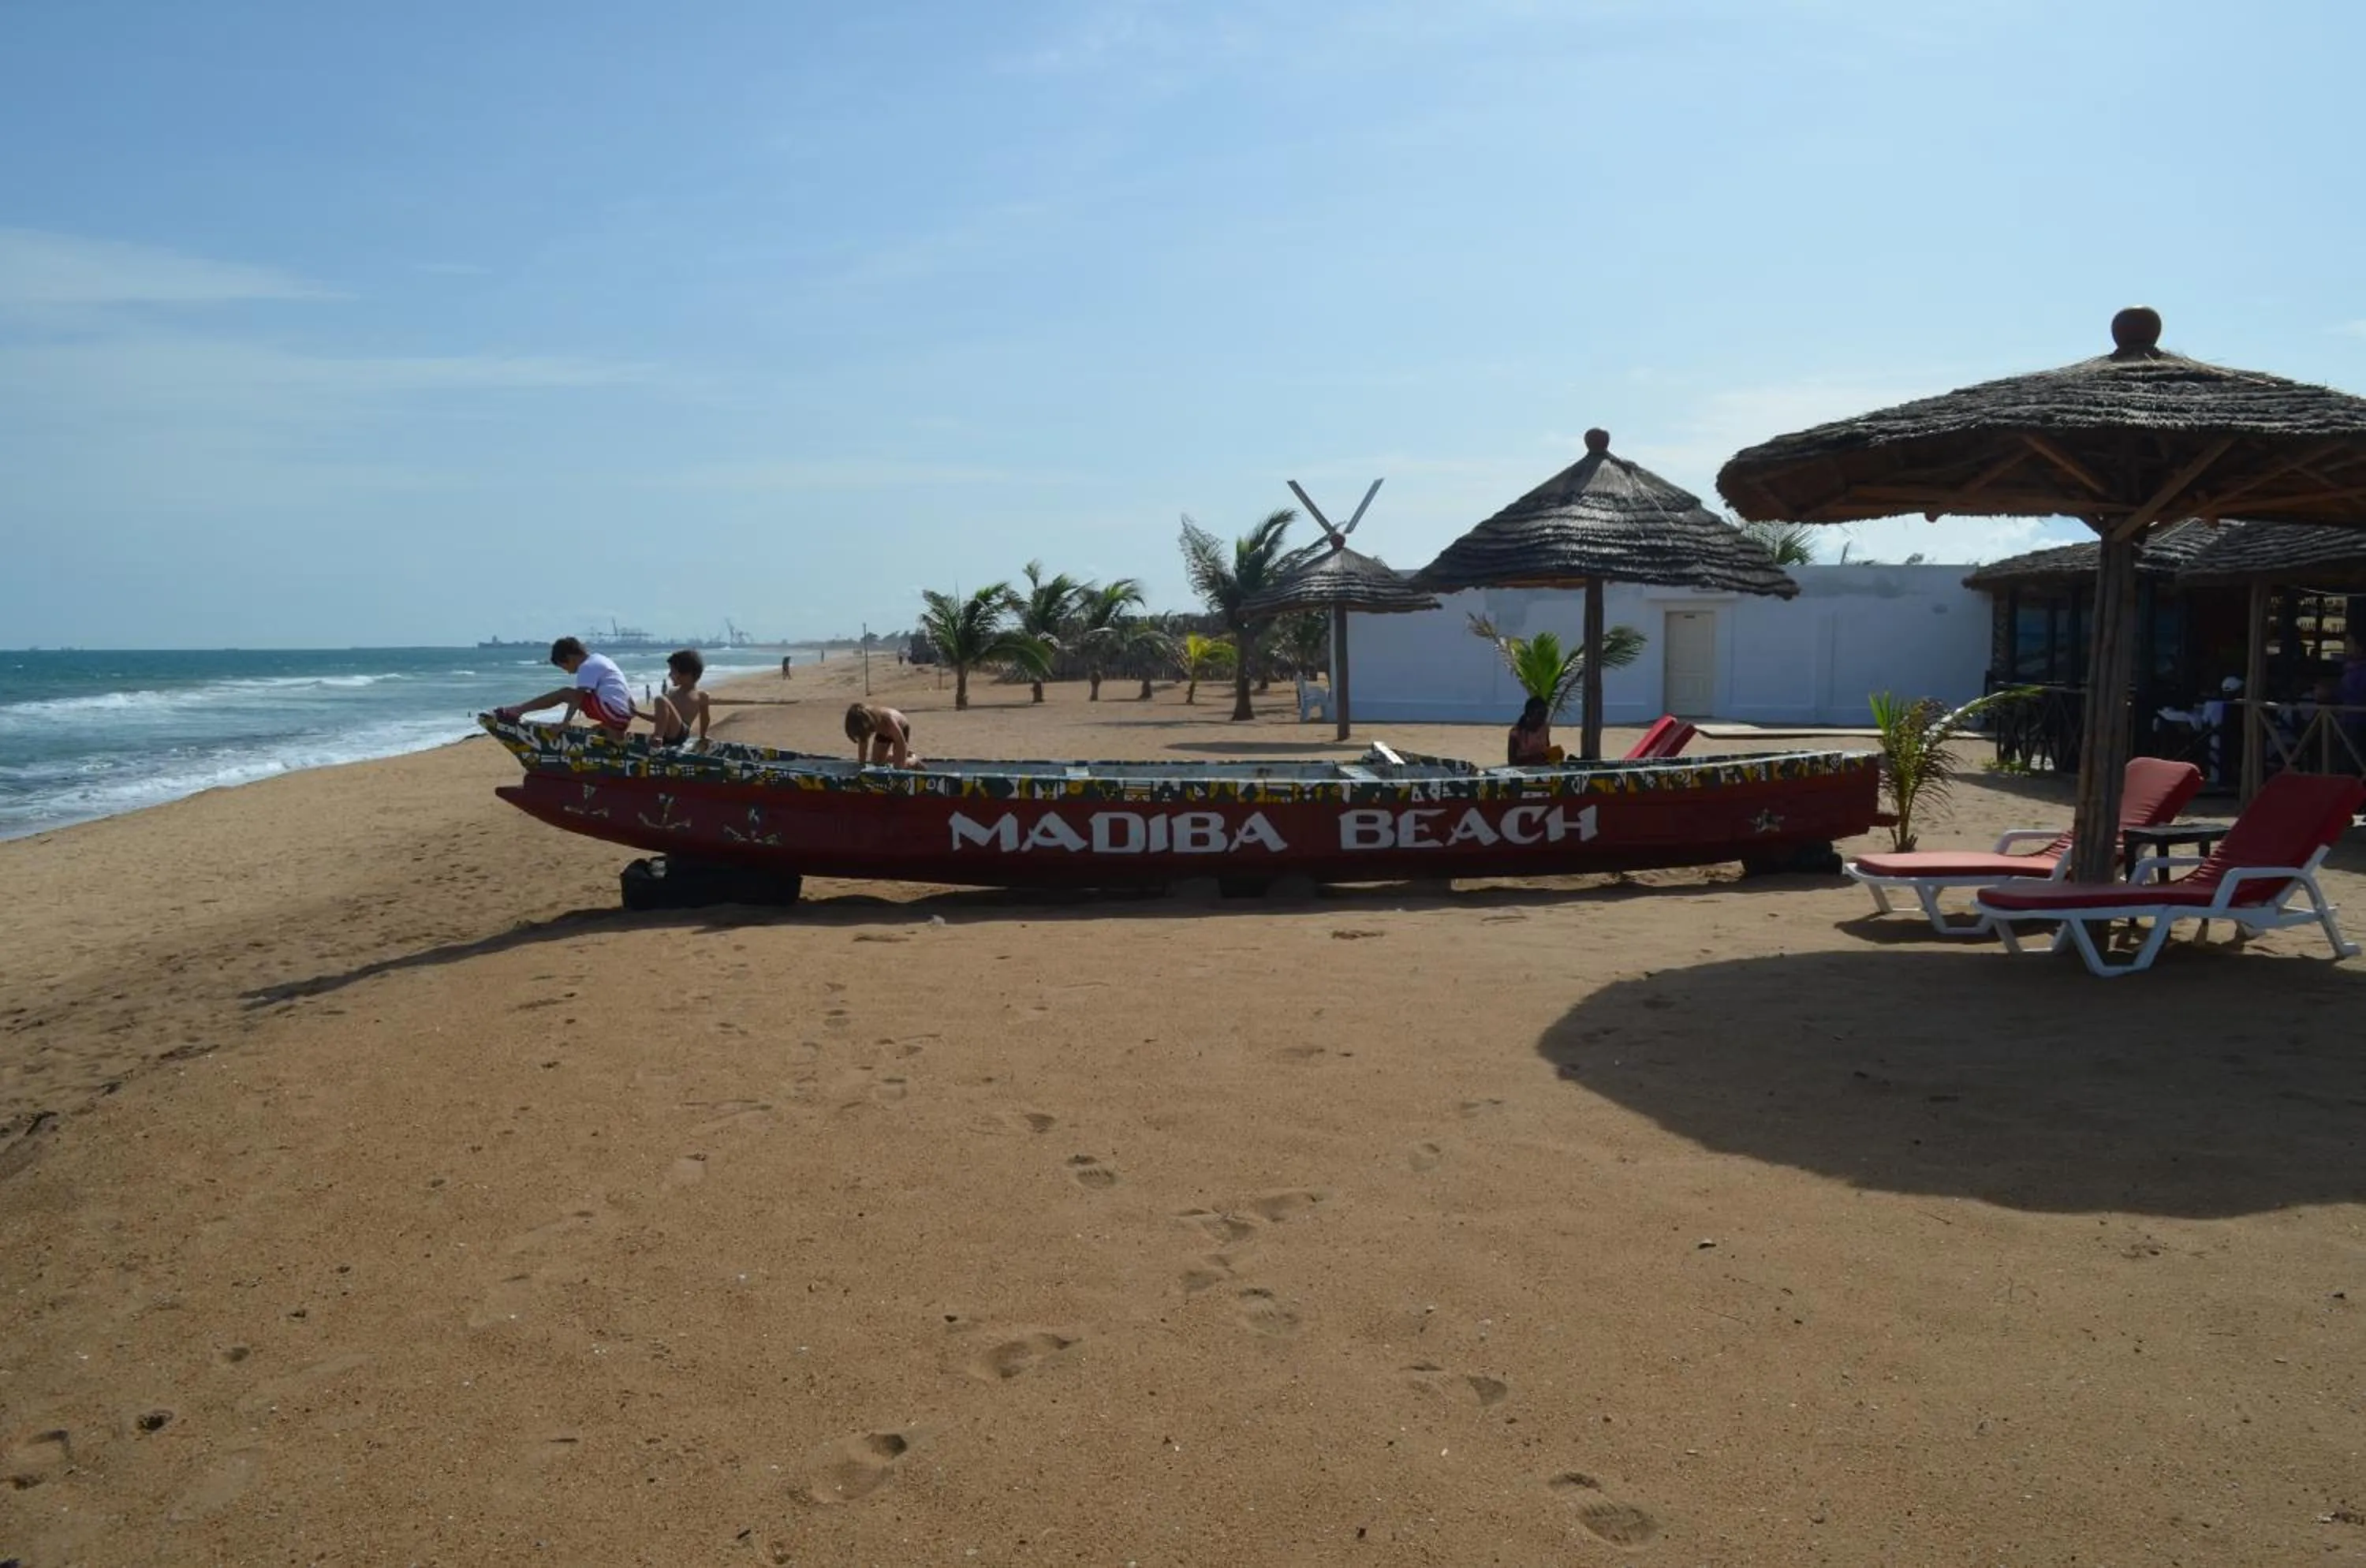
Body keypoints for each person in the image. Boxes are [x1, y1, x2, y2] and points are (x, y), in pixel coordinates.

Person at [494, 637, 635, 737]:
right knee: (591, 697)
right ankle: (610, 728)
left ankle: (517, 711)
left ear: (571, 658)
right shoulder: (601, 659)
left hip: (613, 713)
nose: (568, 672)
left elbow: (577, 698)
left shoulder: (587, 666)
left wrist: (564, 724)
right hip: (623, 717)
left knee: (565, 693)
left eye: (565, 667)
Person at [647, 648, 711, 749]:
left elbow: (705, 719)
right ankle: (659, 738)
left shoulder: (701, 696)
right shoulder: (671, 692)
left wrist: (703, 736)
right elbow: (659, 718)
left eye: (672, 671)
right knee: (661, 700)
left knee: (660, 699)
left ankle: (657, 738)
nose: (669, 675)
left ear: (687, 675)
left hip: (681, 734)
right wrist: (636, 713)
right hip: (666, 735)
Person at [845, 702, 914, 767]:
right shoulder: (862, 722)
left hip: (900, 728)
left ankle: (913, 759)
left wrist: (900, 763)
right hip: (883, 732)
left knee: (900, 765)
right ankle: (896, 756)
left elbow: (900, 742)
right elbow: (863, 742)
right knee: (876, 763)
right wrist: (861, 765)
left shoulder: (888, 718)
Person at [1506, 696, 1564, 766]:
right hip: (1523, 771)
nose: (1543, 719)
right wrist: (1534, 758)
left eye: (1545, 715)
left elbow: (1547, 749)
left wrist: (1554, 755)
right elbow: (1512, 761)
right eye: (1540, 715)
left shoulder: (1544, 729)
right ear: (1529, 714)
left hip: (1542, 770)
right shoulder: (1516, 733)